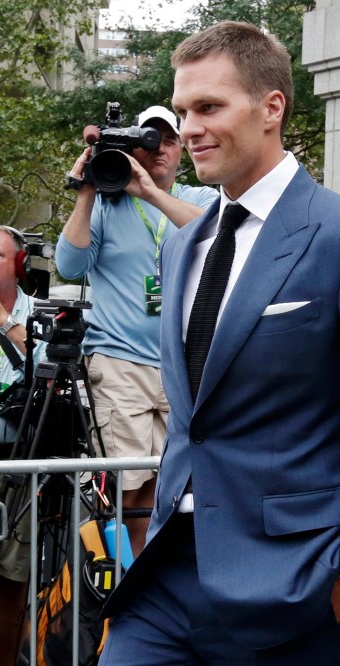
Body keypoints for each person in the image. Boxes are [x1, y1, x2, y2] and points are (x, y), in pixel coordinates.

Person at [98, 21, 340, 665]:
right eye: (183, 111)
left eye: (209, 107)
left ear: (272, 108)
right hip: (163, 580)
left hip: (291, 586)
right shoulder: (183, 245)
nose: (189, 128)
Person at [55, 104, 217, 555]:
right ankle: (122, 583)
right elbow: (69, 265)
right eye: (149, 139)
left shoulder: (200, 197)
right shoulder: (107, 204)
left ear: (182, 148)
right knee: (126, 493)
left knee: (171, 487)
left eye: (169, 139)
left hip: (181, 368)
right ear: (132, 148)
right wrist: (87, 192)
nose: (159, 148)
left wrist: (148, 192)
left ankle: (154, 580)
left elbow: (217, 236)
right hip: (120, 362)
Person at [0, 223, 45, 665]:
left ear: (19, 263)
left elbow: (53, 366)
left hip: (20, 460)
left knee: (12, 583)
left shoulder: (39, 311)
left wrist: (4, 320)